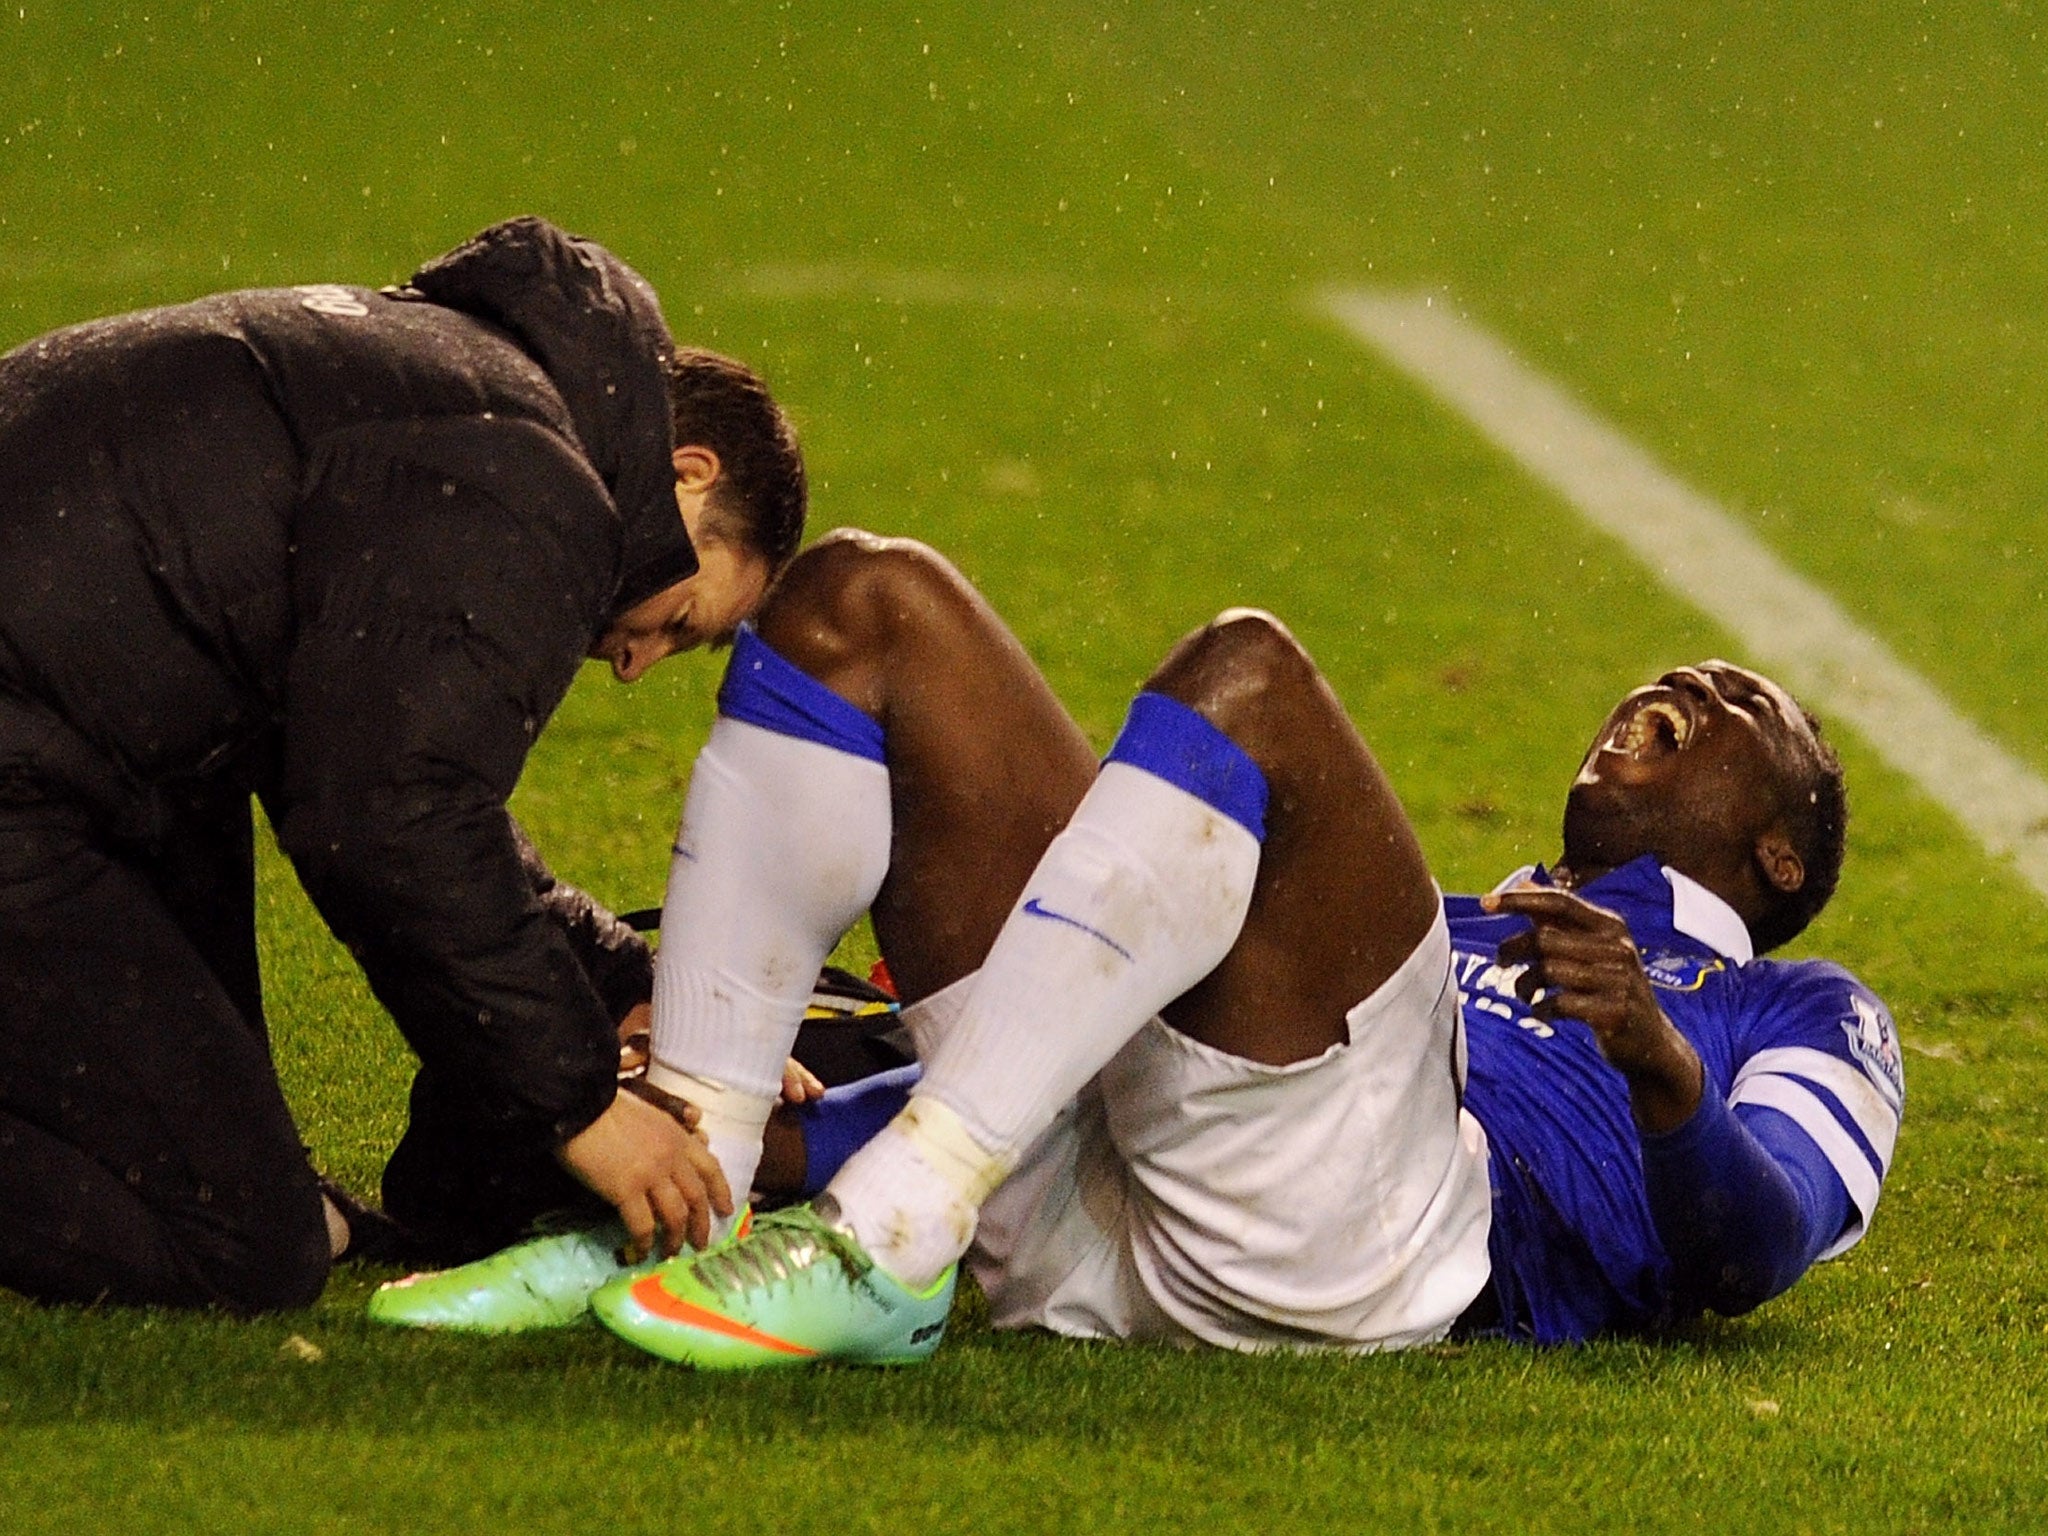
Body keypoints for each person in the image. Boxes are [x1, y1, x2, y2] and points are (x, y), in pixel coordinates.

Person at [376, 529, 1899, 1362]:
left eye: (1757, 710)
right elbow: (1098, 1020)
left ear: (1782, 850)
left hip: (1358, 1267)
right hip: (1095, 1201)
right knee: (863, 600)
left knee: (1253, 680)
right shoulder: (1437, 920)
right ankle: (694, 1197)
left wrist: (1653, 1056)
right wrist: (778, 1149)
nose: (1698, 677)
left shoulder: (1799, 1007)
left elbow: (1751, 1257)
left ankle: (894, 1242)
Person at [0, 216, 805, 1313]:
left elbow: (376, 764)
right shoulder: (531, 489)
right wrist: (581, 1108)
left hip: (78, 746)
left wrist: (619, 982)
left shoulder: (480, 387)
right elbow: (386, 823)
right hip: (36, 773)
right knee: (244, 1244)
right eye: (682, 622)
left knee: (234, 1174)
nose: (635, 663)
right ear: (686, 474)